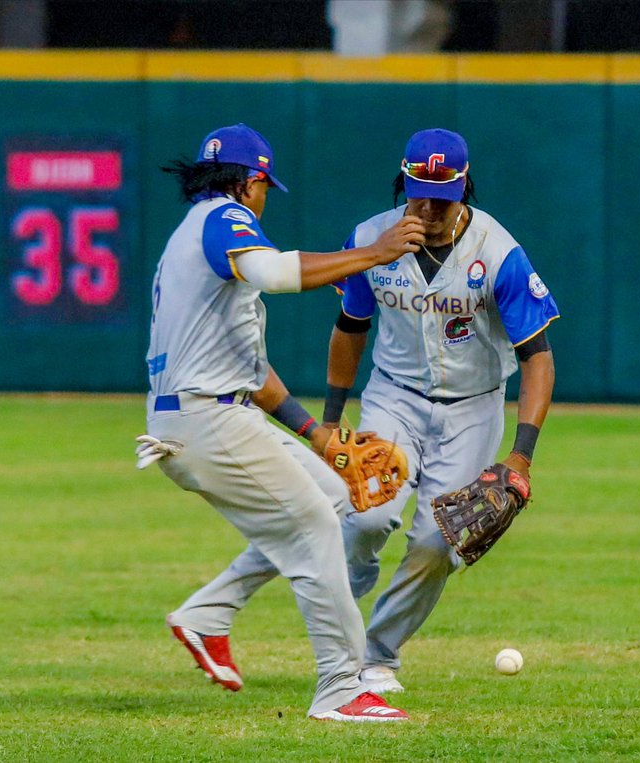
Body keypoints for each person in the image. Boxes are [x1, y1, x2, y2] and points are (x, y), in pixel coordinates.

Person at [140, 123, 424, 721]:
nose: (265, 199)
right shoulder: (224, 217)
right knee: (316, 526)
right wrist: (374, 253)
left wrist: (316, 433)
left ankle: (206, 615)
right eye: (266, 188)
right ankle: (342, 688)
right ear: (253, 181)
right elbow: (273, 274)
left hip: (203, 415)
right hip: (207, 418)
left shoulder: (192, 236)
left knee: (334, 496)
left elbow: (252, 369)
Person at [323, 128, 560, 694]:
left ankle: (378, 655)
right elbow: (350, 328)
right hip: (393, 396)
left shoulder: (497, 251)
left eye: (442, 195)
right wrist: (331, 418)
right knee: (366, 516)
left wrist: (521, 456)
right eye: (417, 192)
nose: (427, 207)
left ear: (464, 189)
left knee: (439, 542)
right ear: (403, 183)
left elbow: (538, 359)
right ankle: (347, 604)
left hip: (474, 408)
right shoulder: (370, 238)